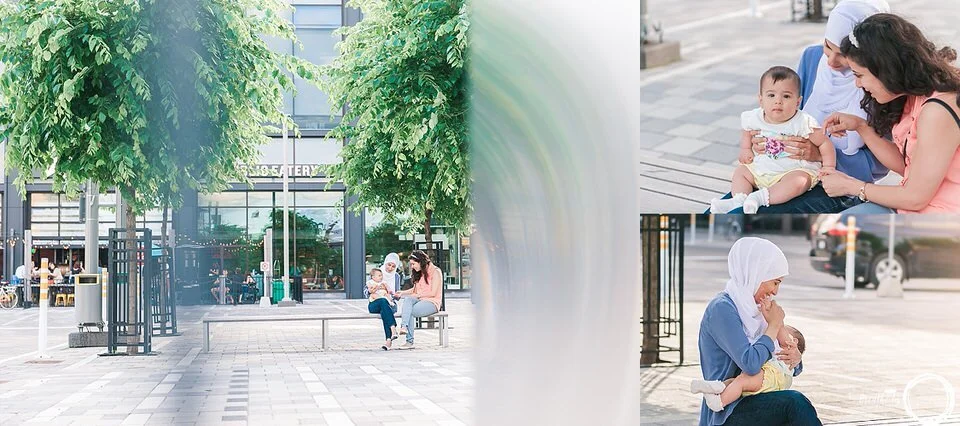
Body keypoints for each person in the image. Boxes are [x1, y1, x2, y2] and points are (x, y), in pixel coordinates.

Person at [710, 0, 891, 214]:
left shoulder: (879, 82)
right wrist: (764, 140)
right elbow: (790, 109)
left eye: (843, 54)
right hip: (780, 169)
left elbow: (878, 166)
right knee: (719, 213)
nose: (831, 61)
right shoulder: (812, 57)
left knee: (742, 218)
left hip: (836, 186)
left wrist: (820, 155)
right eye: (827, 46)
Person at [819, 13, 960, 213]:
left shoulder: (937, 111)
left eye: (859, 75)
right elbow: (910, 168)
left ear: (887, 69)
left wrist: (853, 186)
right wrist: (861, 127)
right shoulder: (915, 97)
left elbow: (915, 198)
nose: (857, 84)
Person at [697, 238, 819, 426]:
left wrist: (795, 357)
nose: (776, 292)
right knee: (794, 404)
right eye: (775, 282)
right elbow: (750, 364)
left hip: (757, 398)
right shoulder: (722, 309)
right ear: (756, 274)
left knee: (792, 411)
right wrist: (774, 326)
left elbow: (788, 367)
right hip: (727, 410)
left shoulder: (756, 309)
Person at [710, 66, 836, 214]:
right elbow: (747, 131)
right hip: (762, 170)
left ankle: (759, 198)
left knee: (800, 181)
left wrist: (828, 167)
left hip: (792, 170)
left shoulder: (802, 122)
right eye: (771, 95)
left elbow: (824, 142)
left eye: (786, 96)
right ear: (761, 100)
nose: (778, 101)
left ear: (797, 102)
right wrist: (746, 149)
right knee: (741, 171)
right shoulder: (754, 117)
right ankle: (739, 199)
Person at [693, 325, 806, 412]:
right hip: (769, 377)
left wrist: (776, 320)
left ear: (794, 341)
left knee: (741, 381)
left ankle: (719, 403)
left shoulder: (786, 348)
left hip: (772, 376)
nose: (778, 334)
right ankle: (717, 387)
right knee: (736, 381)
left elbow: (778, 326)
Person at [395, 250, 443, 349]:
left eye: (413, 264)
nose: (412, 266)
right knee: (408, 300)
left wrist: (417, 295)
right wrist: (403, 292)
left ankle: (409, 341)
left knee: (410, 311)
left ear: (420, 261)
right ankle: (404, 327)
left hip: (432, 302)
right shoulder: (420, 273)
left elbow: (433, 293)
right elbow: (415, 290)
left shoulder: (436, 272)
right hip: (420, 300)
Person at [365, 268, 398, 350]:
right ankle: (393, 329)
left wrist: (391, 294)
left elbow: (395, 295)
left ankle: (388, 341)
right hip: (374, 305)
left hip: (388, 305)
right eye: (379, 275)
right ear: (373, 277)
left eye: (381, 275)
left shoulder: (394, 278)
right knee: (383, 302)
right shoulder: (370, 283)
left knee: (384, 312)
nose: (381, 277)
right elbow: (366, 293)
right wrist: (372, 290)